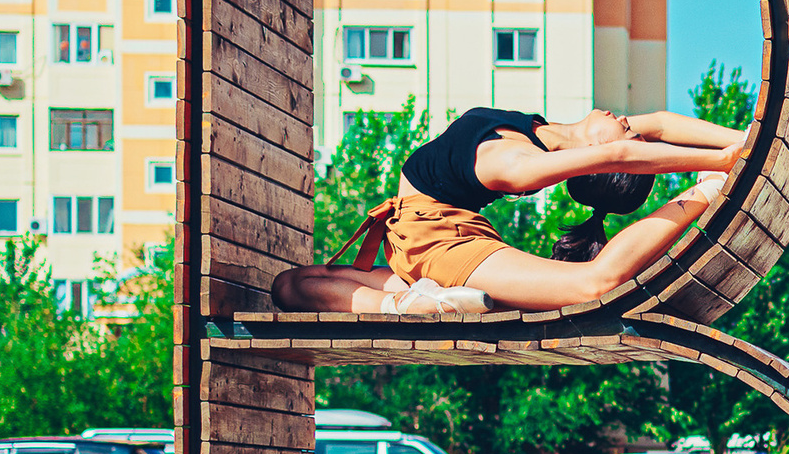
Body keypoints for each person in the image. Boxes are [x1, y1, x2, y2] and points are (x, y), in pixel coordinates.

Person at [270, 106, 748, 316]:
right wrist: (744, 138)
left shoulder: (521, 166)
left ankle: (704, 195)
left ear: (600, 158)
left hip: (442, 245)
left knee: (591, 284)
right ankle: (412, 305)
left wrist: (722, 167)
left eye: (629, 133)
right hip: (416, 238)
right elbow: (661, 124)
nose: (627, 121)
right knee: (289, 286)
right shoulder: (546, 133)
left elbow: (624, 153)